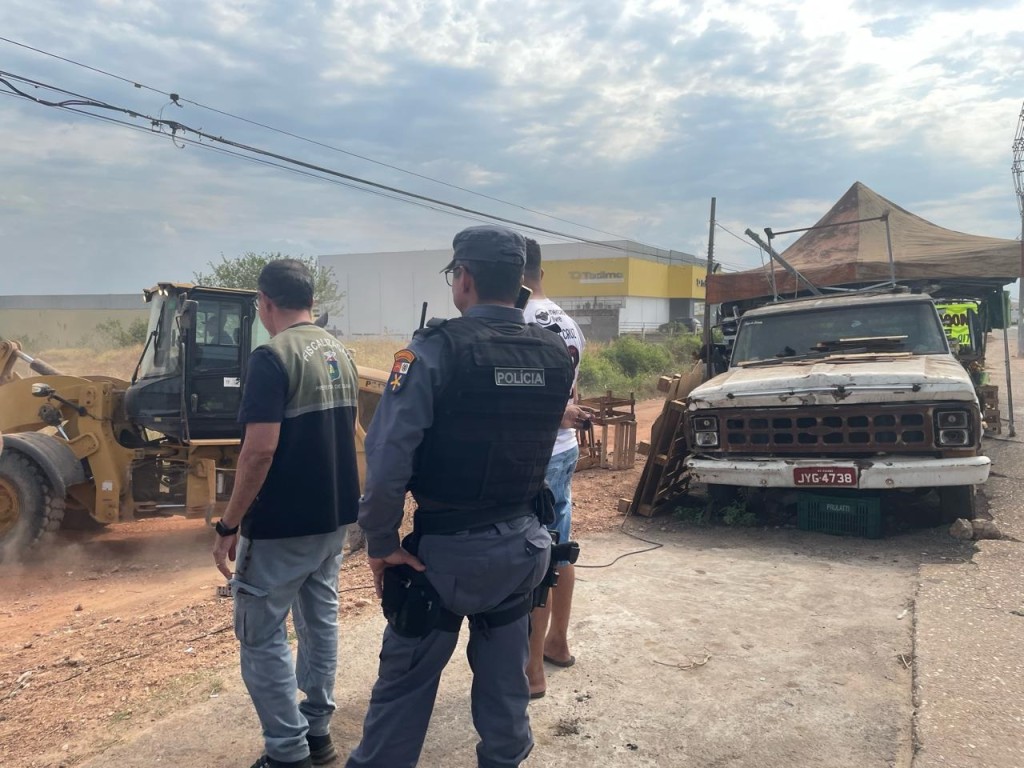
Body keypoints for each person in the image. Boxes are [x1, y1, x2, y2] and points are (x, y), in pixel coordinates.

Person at [346, 225, 574, 768]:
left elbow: (387, 459)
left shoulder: (433, 351)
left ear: (463, 278)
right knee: (505, 686)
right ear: (520, 281)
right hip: (524, 549)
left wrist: (381, 542)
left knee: (403, 688)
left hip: (446, 558)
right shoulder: (553, 351)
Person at [212, 259, 361, 768]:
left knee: (260, 633)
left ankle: (287, 751)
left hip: (281, 524)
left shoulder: (271, 358)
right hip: (333, 517)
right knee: (319, 622)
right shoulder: (340, 352)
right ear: (311, 301)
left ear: (266, 303)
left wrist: (229, 523)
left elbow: (258, 451)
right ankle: (316, 735)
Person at [521, 238, 588, 699]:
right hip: (565, 448)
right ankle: (557, 642)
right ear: (540, 271)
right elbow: (573, 395)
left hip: (532, 453)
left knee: (533, 557)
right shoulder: (569, 324)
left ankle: (530, 671)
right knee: (560, 548)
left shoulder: (517, 320)